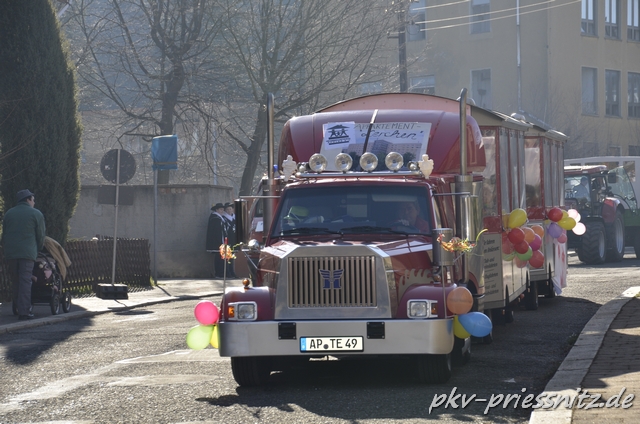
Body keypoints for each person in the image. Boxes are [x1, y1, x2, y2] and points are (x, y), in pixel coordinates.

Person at [2, 189, 46, 320]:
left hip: (11, 253)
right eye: (33, 200)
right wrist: (38, 248)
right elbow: (40, 235)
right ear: (28, 199)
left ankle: (17, 307)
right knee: (25, 281)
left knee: (16, 281)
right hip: (27, 253)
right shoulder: (36, 214)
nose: (34, 202)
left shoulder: (9, 213)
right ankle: (24, 311)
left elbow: (4, 234)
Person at [205, 203, 226, 278]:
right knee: (218, 258)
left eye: (223, 209)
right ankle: (218, 273)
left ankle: (220, 273)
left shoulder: (219, 218)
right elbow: (217, 231)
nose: (222, 211)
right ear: (216, 210)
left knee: (220, 258)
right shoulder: (215, 218)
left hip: (220, 240)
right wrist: (220, 242)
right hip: (217, 241)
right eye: (220, 209)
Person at [222, 202, 237, 278]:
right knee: (227, 257)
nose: (229, 211)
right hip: (227, 239)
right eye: (227, 209)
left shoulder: (235, 218)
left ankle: (232, 272)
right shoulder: (224, 218)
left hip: (234, 240)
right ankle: (228, 272)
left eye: (230, 209)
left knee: (232, 256)